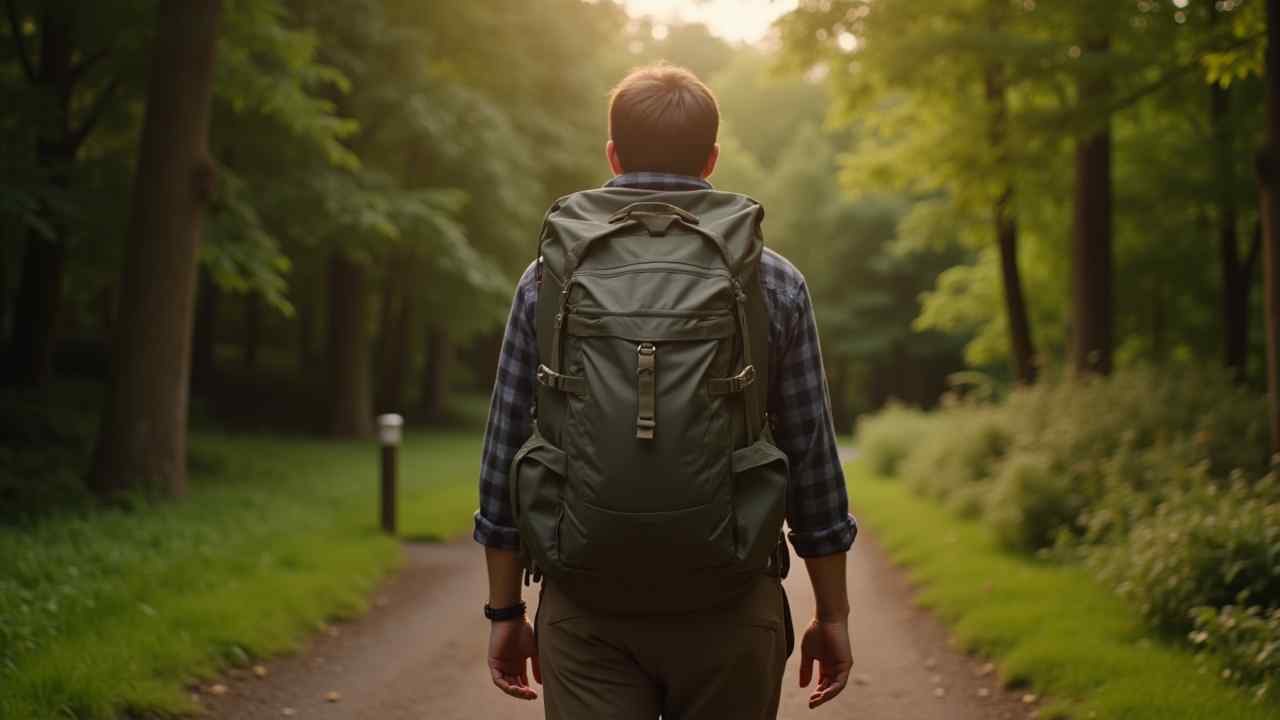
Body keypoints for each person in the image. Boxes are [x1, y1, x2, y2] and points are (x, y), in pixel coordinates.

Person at [475, 63, 858, 720]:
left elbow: (504, 453)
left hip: (586, 608)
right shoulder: (772, 282)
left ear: (613, 155)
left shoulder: (547, 280)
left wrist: (504, 612)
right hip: (733, 605)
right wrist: (834, 614)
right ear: (711, 159)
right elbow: (812, 460)